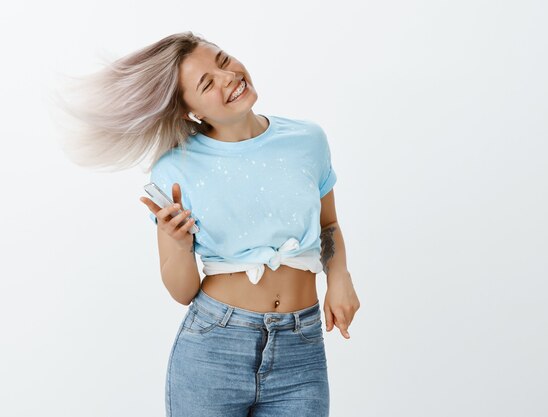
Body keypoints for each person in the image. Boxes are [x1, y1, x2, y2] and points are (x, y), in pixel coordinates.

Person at [52, 32, 360, 417]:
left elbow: (328, 225)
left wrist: (340, 278)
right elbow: (183, 291)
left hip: (302, 345)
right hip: (215, 347)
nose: (228, 76)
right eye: (207, 83)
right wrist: (178, 244)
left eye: (224, 60)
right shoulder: (175, 170)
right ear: (189, 112)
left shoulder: (307, 139)